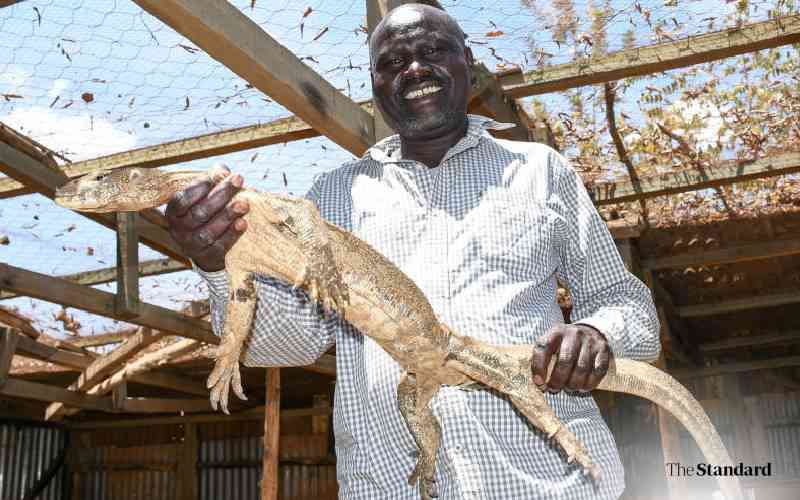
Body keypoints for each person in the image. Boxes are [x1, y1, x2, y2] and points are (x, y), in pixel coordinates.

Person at [165, 4, 660, 499]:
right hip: (392, 486)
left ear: (467, 60)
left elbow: (628, 306)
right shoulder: (334, 199)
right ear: (376, 84)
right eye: (393, 61)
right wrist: (217, 258)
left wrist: (597, 333)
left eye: (432, 51)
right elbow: (287, 341)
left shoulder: (539, 172)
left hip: (550, 484)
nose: (414, 68)